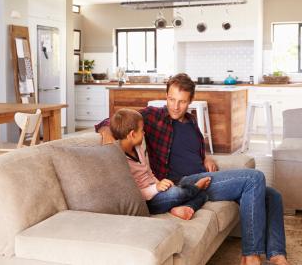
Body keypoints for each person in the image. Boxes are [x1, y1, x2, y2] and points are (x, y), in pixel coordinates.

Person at [97, 73, 289, 265]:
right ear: (166, 96)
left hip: (203, 175)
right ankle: (250, 257)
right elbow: (117, 121)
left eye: (181, 101)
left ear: (190, 100)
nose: (175, 106)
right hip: (182, 182)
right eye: (171, 99)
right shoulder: (153, 117)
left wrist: (205, 156)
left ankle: (277, 255)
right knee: (254, 178)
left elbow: (191, 149)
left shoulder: (191, 121)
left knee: (272, 195)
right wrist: (106, 132)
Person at [110, 108, 211, 220]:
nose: (144, 133)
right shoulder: (118, 159)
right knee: (179, 193)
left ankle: (183, 207)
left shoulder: (138, 148)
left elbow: (149, 173)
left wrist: (160, 184)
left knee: (203, 194)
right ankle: (194, 188)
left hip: (156, 192)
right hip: (145, 202)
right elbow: (132, 195)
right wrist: (156, 188)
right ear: (132, 134)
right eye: (142, 130)